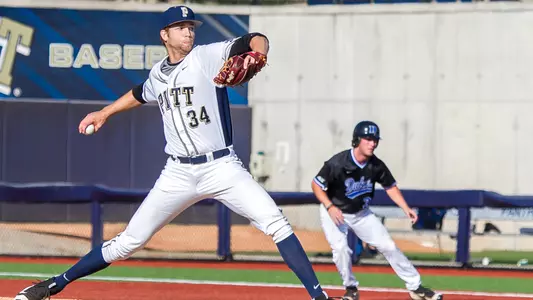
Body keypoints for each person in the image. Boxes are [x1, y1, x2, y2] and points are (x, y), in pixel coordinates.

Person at [14, 6, 331, 300]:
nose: (188, 32)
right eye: (180, 27)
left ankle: (319, 296)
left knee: (276, 222)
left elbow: (255, 39)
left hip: (221, 166)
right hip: (178, 172)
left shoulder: (206, 57)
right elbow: (140, 93)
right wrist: (104, 113)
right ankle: (56, 283)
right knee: (128, 242)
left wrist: (257, 55)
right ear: (164, 35)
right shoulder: (158, 74)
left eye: (190, 26)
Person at [311, 121, 443, 300]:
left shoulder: (376, 165)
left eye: (375, 140)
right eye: (368, 139)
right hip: (335, 212)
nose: (373, 143)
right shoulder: (338, 162)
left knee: (389, 246)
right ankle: (351, 288)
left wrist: (405, 208)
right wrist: (330, 206)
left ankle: (416, 287)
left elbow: (390, 187)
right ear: (357, 140)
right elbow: (316, 185)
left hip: (361, 214)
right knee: (341, 249)